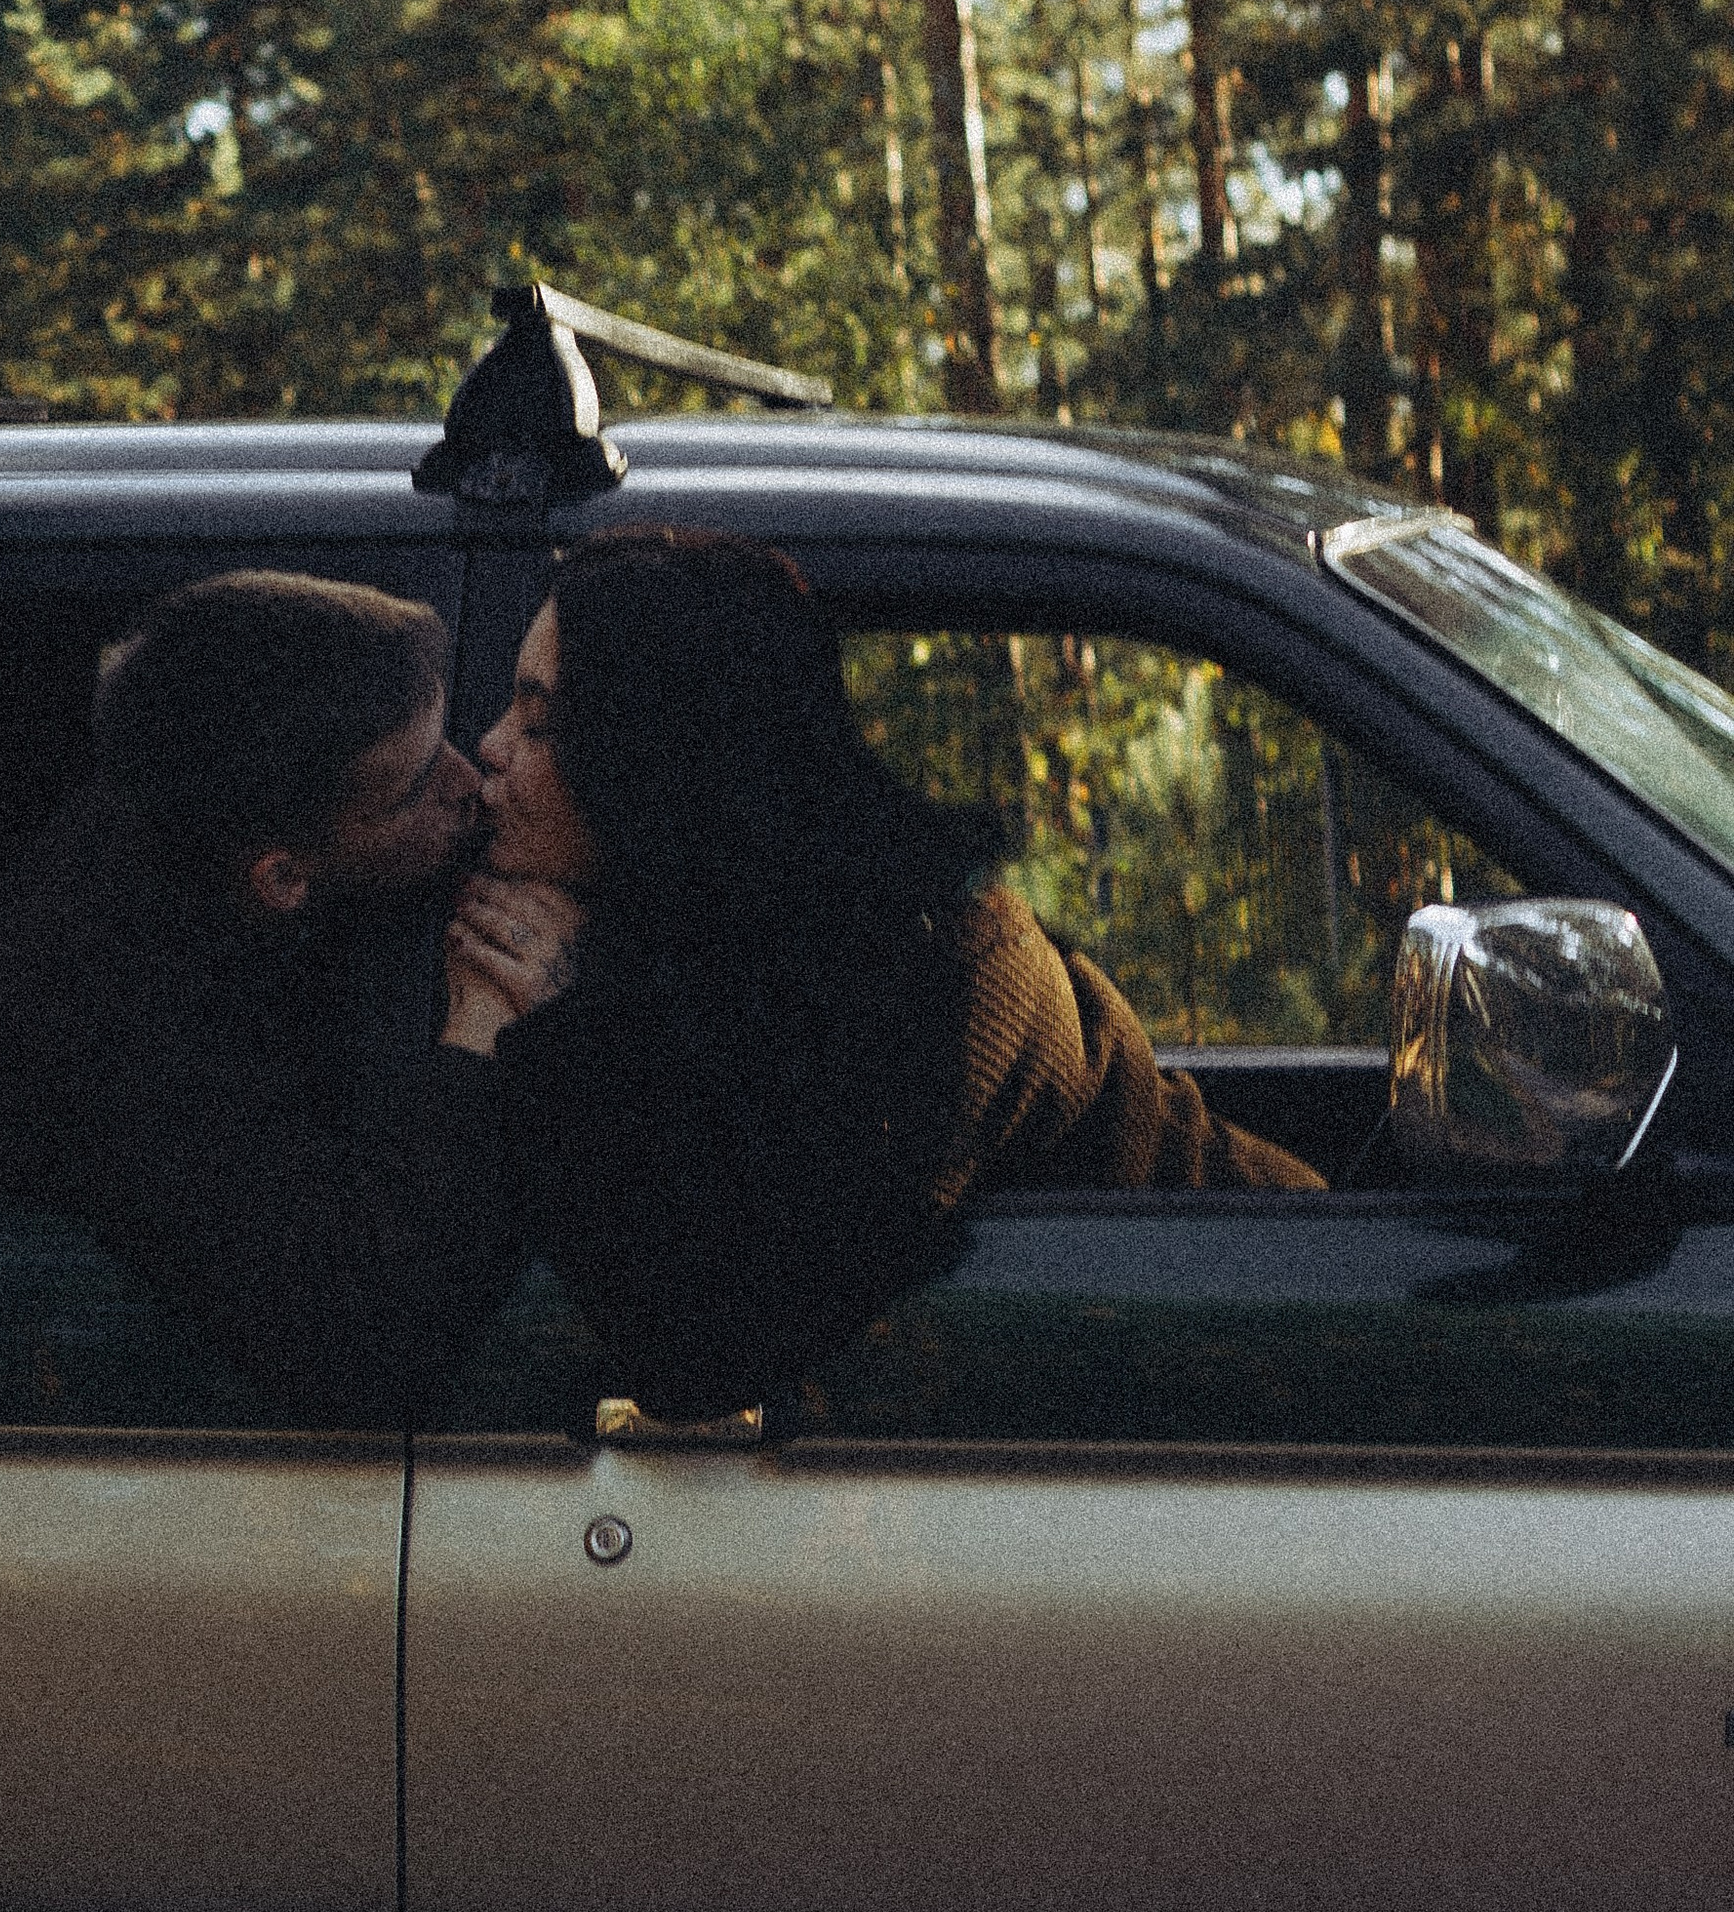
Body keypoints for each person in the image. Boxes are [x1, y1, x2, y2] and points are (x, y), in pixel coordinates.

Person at [451, 527, 1319, 1421]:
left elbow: (706, 1351)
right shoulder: (687, 911)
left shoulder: (951, 978)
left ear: (662, 753)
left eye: (541, 719)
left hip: (1294, 1347)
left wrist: (563, 1022)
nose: (487, 745)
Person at [0, 568, 575, 1419]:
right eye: (413, 786)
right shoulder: (130, 1034)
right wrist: (480, 1037)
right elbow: (353, 1352)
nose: (469, 781)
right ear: (282, 876)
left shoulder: (192, 809)